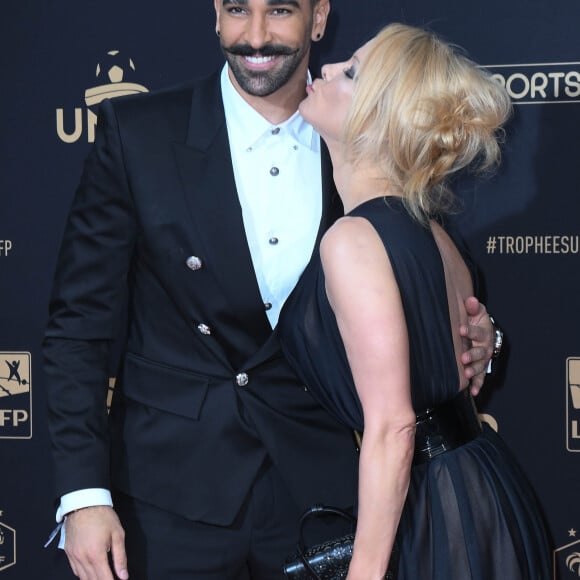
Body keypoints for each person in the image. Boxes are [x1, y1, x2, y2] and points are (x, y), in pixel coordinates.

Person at [42, 2, 497, 579]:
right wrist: (84, 495)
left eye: (280, 9)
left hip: (327, 494)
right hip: (167, 500)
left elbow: (427, 284)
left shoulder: (371, 138)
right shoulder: (138, 135)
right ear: (215, 13)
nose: (256, 35)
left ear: (318, 17)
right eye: (237, 9)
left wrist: (482, 335)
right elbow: (79, 326)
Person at [278, 22, 551, 580]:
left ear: (380, 118)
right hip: (480, 489)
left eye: (351, 72)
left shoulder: (354, 240)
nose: (326, 69)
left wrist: (365, 574)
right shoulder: (435, 234)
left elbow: (394, 427)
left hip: (434, 511)